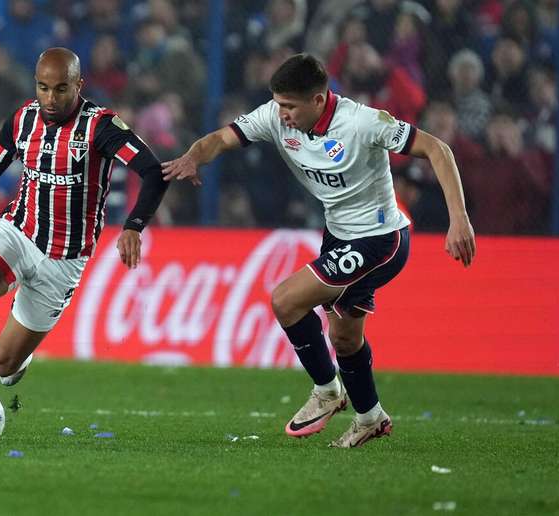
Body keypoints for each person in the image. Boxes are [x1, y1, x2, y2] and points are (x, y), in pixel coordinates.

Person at [162, 53, 476, 448]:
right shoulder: (275, 116)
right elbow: (221, 139)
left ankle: (327, 391)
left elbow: (438, 149)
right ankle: (370, 416)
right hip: (339, 236)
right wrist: (193, 156)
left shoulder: (362, 122)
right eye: (278, 104)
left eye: (290, 106)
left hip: (380, 239)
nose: (283, 115)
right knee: (344, 338)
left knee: (286, 301)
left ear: (318, 100)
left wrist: (458, 219)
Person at [0, 47, 169, 439]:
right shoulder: (23, 120)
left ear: (78, 85)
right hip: (18, 231)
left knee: (3, 365)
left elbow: (153, 172)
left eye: (60, 89)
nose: (51, 99)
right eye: (43, 88)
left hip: (64, 259)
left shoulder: (101, 127)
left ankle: (19, 359)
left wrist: (134, 225)